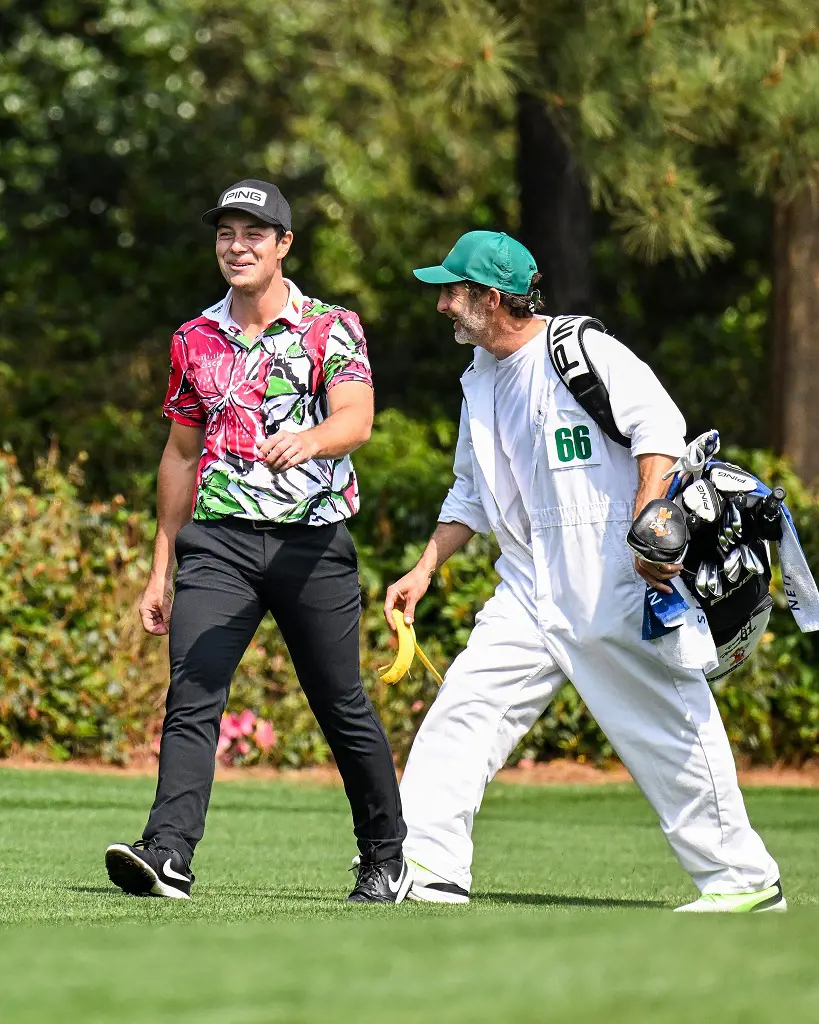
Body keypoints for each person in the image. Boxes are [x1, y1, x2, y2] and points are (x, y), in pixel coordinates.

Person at [384, 229, 785, 913]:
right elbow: (469, 493)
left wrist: (648, 529)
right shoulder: (478, 380)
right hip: (527, 578)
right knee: (466, 707)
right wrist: (425, 567)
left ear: (491, 297)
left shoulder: (578, 350)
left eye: (454, 291)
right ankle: (427, 863)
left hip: (613, 572)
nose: (443, 304)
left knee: (667, 725)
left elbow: (659, 428)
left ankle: (743, 880)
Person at [105, 179, 409, 904]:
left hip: (312, 546)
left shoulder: (331, 327)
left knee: (340, 703)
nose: (236, 248)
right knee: (193, 692)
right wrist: (160, 567)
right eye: (225, 235)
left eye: (252, 235)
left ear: (283, 246)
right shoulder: (194, 338)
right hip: (218, 545)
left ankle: (385, 855)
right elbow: (180, 456)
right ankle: (168, 853)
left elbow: (356, 419)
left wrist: (308, 441)